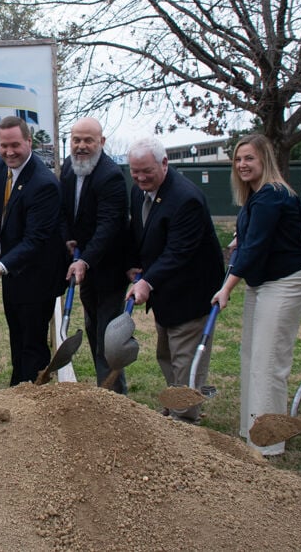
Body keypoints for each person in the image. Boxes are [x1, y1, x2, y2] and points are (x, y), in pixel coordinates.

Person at [211, 134, 301, 455]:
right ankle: (252, 431)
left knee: (269, 360)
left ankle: (268, 444)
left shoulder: (271, 195)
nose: (242, 164)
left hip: (287, 279)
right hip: (265, 280)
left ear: (264, 161)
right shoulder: (256, 197)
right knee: (252, 355)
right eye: (238, 159)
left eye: (249, 159)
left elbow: (255, 248)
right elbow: (252, 238)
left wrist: (226, 288)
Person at [126, 137, 224, 423]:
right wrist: (135, 266)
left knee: (186, 359)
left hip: (191, 291)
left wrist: (148, 282)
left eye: (147, 171)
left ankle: (185, 419)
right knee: (166, 353)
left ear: (164, 163)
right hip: (166, 293)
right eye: (135, 171)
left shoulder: (186, 198)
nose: (141, 177)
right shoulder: (139, 191)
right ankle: (177, 402)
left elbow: (178, 251)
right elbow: (141, 233)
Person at [0, 116, 65, 385]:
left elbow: (36, 240)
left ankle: (35, 398)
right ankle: (19, 390)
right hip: (13, 272)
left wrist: (1, 267)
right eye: (3, 145)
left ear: (29, 142)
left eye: (15, 144)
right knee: (16, 335)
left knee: (32, 342)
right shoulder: (0, 166)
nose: (9, 151)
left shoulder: (43, 184)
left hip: (37, 275)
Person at [60, 117, 129, 393]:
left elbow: (109, 226)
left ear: (101, 142)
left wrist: (85, 259)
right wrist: (68, 239)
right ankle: (104, 392)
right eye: (76, 139)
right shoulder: (68, 167)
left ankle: (113, 396)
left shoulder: (110, 175)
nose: (81, 146)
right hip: (83, 266)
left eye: (88, 140)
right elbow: (63, 210)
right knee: (92, 327)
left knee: (107, 337)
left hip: (109, 268)